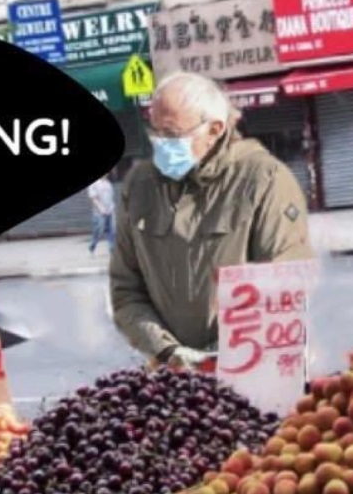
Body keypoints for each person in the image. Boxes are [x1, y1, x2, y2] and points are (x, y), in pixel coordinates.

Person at [109, 71, 313, 370]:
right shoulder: (140, 185)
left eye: (172, 133)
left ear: (215, 130)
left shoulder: (265, 179)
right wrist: (167, 350)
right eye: (155, 131)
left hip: (252, 367)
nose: (161, 143)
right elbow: (126, 290)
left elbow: (284, 287)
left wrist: (223, 357)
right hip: (171, 373)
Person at [87, 172, 116, 254]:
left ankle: (112, 248)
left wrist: (112, 208)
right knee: (99, 230)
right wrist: (101, 209)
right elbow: (93, 198)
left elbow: (111, 197)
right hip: (99, 212)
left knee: (111, 230)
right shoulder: (94, 184)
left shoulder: (108, 184)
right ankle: (92, 245)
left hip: (110, 210)